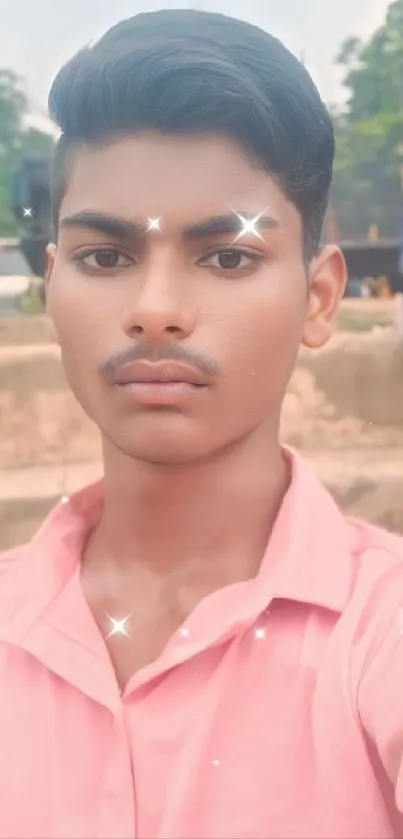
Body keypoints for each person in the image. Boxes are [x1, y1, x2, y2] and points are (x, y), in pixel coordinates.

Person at [1, 9, 403, 838]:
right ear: (53, 288)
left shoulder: (382, 636)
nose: (154, 312)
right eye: (104, 257)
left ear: (318, 297)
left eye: (227, 256)